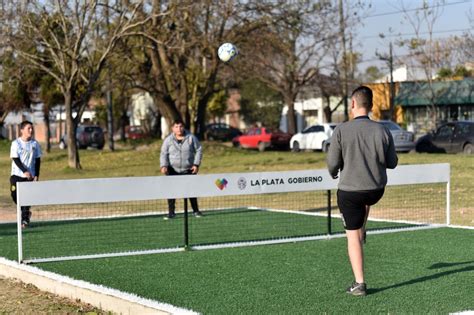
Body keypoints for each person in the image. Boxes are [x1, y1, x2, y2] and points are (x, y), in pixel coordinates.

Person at [327, 86, 398, 296]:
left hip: (350, 192)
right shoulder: (383, 130)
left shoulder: (341, 130)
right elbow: (392, 163)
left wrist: (334, 172)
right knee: (364, 201)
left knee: (352, 236)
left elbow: (332, 164)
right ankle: (362, 227)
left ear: (352, 104)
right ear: (372, 106)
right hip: (376, 190)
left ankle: (359, 283)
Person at [160, 119, 203, 219]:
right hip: (172, 170)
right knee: (171, 192)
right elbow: (163, 153)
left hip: (188, 169)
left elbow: (199, 150)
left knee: (191, 191)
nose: (179, 129)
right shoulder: (168, 140)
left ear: (184, 127)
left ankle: (196, 211)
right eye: (176, 127)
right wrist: (163, 165)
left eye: (181, 126)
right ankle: (171, 213)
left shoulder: (191, 138)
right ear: (172, 128)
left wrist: (196, 165)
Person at [10, 120, 42, 228]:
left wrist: (36, 174)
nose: (31, 130)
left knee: (26, 198)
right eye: (28, 128)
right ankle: (26, 214)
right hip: (16, 175)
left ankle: (24, 220)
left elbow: (37, 160)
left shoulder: (35, 144)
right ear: (22, 130)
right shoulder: (16, 143)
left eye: (32, 128)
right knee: (15, 196)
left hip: (30, 176)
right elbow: (15, 159)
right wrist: (24, 171)